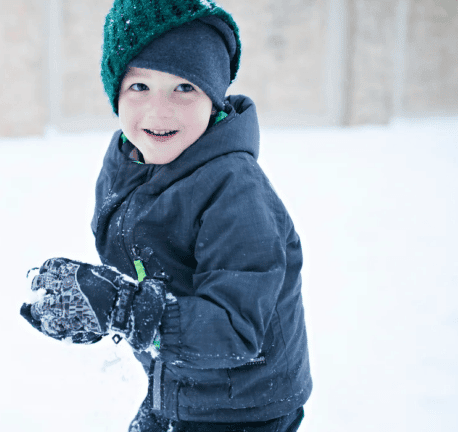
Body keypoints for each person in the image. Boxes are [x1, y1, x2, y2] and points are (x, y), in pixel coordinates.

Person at [20, 1, 312, 431]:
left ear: (213, 99)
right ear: (115, 91)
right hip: (178, 382)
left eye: (185, 87)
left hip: (243, 408)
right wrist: (99, 305)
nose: (159, 111)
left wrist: (122, 309)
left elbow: (235, 330)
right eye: (140, 87)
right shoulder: (129, 163)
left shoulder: (236, 193)